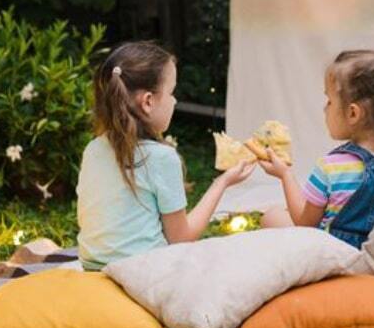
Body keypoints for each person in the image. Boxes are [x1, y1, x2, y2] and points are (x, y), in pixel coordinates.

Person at [75, 41, 253, 270]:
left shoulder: (93, 149)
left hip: (91, 267)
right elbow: (181, 239)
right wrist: (222, 183)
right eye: (171, 92)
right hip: (143, 272)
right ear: (148, 102)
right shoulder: (162, 158)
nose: (174, 101)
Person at [259, 49, 374, 248]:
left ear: (353, 113)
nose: (324, 108)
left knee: (272, 216)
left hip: (336, 255)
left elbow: (305, 224)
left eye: (329, 101)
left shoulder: (331, 167)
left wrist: (285, 175)